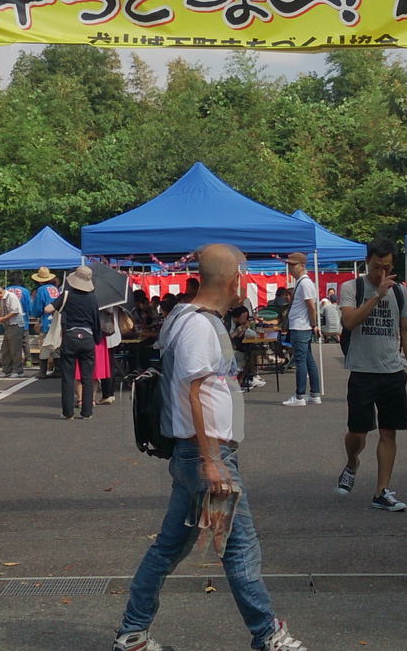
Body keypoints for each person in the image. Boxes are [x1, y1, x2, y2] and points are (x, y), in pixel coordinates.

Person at [113, 244, 307, 651]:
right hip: (206, 456)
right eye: (244, 275)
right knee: (240, 547)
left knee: (170, 547)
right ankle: (268, 634)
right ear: (234, 278)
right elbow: (194, 394)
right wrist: (213, 461)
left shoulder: (188, 318)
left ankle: (133, 632)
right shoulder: (199, 326)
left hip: (195, 455)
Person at [336, 237, 407, 512]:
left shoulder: (400, 292)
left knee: (389, 432)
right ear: (367, 261)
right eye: (376, 266)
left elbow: (405, 330)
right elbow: (349, 321)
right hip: (362, 371)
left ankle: (382, 491)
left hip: (392, 371)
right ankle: (352, 462)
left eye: (387, 268)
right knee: (357, 434)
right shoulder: (352, 287)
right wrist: (376, 295)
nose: (381, 273)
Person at [49, 266, 101, 420]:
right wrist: (96, 339)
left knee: (68, 377)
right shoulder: (93, 298)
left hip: (70, 337)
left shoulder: (66, 296)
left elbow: (47, 309)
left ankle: (68, 412)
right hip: (87, 338)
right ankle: (86, 412)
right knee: (87, 377)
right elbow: (96, 322)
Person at [282, 252, 321, 407]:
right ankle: (314, 393)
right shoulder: (304, 282)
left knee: (301, 361)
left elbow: (311, 306)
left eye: (293, 265)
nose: (290, 268)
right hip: (303, 326)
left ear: (302, 266)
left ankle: (299, 395)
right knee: (308, 359)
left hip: (300, 326)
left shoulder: (304, 283)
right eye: (289, 264)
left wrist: (313, 323)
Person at [0, 285, 25, 378]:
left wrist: (3, 318)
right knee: (6, 349)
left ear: (0, 293)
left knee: (15, 349)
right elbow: (5, 311)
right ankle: (6, 370)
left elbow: (15, 311)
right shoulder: (2, 299)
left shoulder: (11, 297)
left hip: (15, 325)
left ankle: (18, 370)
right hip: (8, 325)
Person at [32, 268, 62, 376]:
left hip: (46, 320)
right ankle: (58, 369)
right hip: (57, 319)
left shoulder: (41, 290)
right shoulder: (55, 289)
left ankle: (42, 371)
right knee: (56, 344)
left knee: (45, 344)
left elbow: (38, 308)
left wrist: (35, 314)